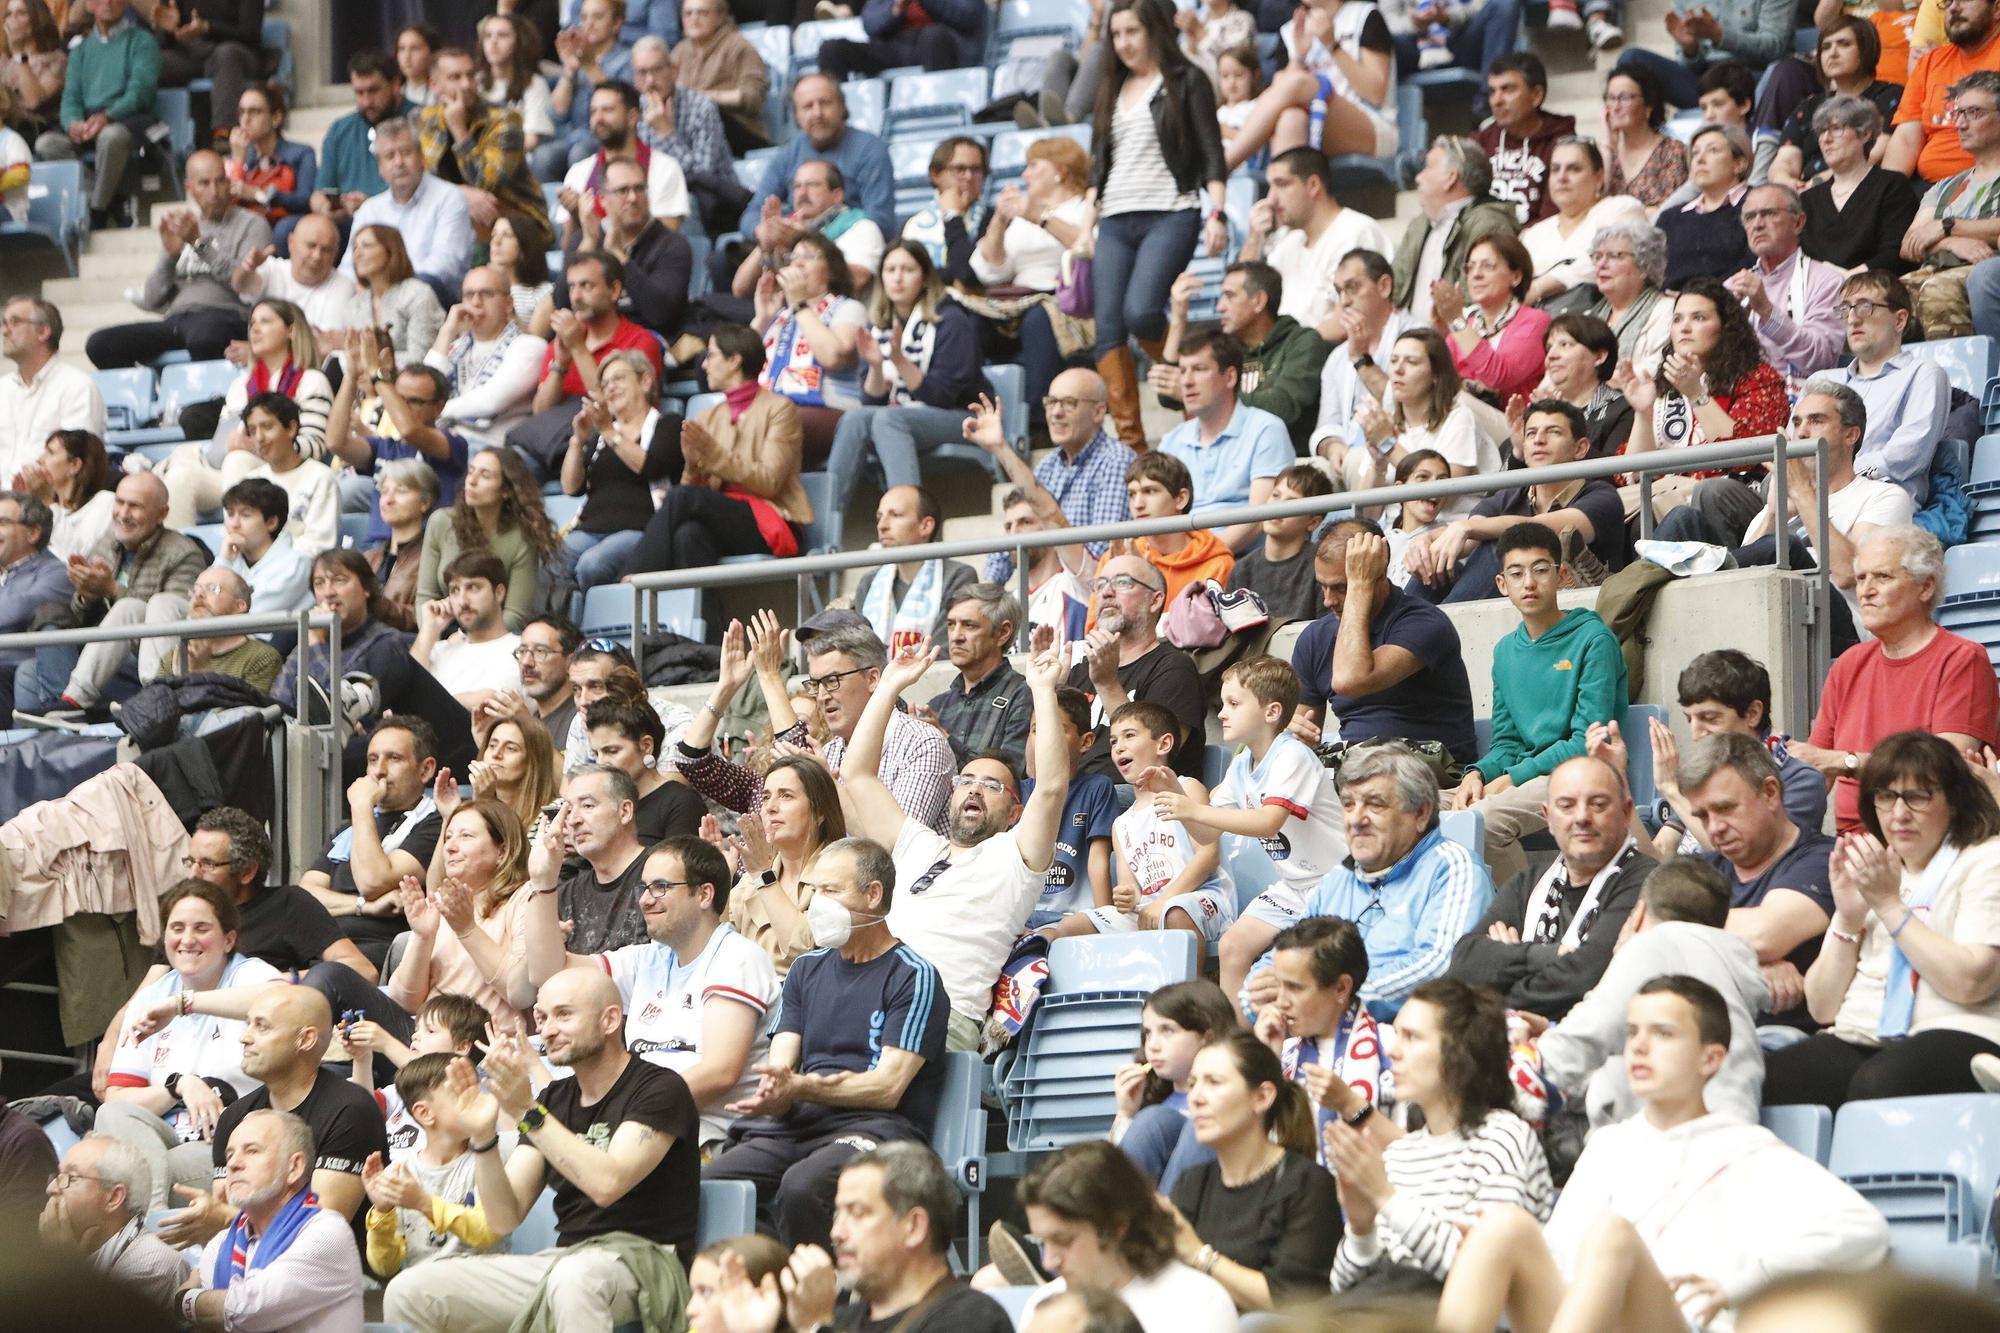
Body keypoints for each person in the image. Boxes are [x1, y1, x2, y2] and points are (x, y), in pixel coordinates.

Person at [1433, 976, 1890, 1333]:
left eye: (1663, 1033)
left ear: (1710, 1059)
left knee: (1613, 1237)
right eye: (1632, 1032)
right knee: (1503, 1226)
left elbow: (1864, 1230)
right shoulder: (1609, 1144)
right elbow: (1561, 1255)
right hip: (1586, 1320)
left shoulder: (1748, 1149)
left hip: (1677, 1324)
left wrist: (1740, 1284)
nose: (1639, 1047)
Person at [380, 969, 702, 1330]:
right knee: (409, 1291)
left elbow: (608, 1184)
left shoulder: (659, 1088)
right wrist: (483, 1136)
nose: (548, 1029)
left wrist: (526, 1111)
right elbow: (504, 1218)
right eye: (542, 1018)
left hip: (645, 1260)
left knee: (575, 1278)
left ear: (610, 1019)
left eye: (564, 1014)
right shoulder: (554, 1099)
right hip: (567, 1259)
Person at [699, 835, 950, 1249]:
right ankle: (767, 1283)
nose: (816, 903)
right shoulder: (805, 968)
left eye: (831, 891)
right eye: (813, 890)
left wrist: (801, 1087)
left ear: (873, 895)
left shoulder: (913, 974)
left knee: (803, 1187)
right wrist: (775, 1092)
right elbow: (781, 1065)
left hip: (878, 1129)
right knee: (709, 1185)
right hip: (799, 1125)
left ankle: (824, 1302)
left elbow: (887, 1088)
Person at [842, 641, 1070, 1049]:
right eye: (966, 780)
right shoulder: (917, 842)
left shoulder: (1017, 857)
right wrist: (888, 687)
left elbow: (1051, 787)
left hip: (940, 1012)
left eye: (992, 785)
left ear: (1016, 811)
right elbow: (857, 773)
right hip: (867, 997)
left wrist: (1042, 689)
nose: (975, 790)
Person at [1763, 731, 2000, 1108]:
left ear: (1955, 801)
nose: (1899, 813)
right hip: (1865, 1033)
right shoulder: (1876, 868)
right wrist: (1847, 917)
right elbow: (1822, 1008)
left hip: (1961, 1030)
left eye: (1918, 796)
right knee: (1774, 1082)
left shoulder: (1986, 860)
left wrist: (1889, 907)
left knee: (1880, 1087)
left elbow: (1970, 982)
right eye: (1886, 797)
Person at [525, 834, 778, 1151]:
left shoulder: (737, 958)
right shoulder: (649, 958)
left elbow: (720, 1072)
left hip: (708, 1133)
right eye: (643, 888)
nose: (644, 899)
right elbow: (550, 972)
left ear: (704, 894)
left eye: (660, 887)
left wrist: (624, 1112)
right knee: (525, 1148)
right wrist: (543, 884)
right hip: (643, 1123)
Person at [1327, 978, 1553, 1299]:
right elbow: (1341, 1288)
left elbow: (1481, 1282)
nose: (1393, 1051)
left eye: (1412, 1037)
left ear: (1460, 1052)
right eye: (1397, 1034)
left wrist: (1385, 1198)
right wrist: (1362, 1229)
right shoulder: (1399, 1154)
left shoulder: (1503, 1138)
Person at [1241, 742, 1493, 1020]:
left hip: (1412, 1046)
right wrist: (1257, 993)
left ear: (1420, 813)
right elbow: (1283, 955)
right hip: (1326, 1039)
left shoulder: (1452, 867)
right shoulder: (1339, 879)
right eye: (1348, 805)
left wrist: (1328, 999)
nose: (1356, 819)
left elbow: (1439, 967)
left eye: (1375, 804)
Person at [1447, 522, 1629, 889]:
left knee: (1482, 821)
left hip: (1583, 775)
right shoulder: (1505, 652)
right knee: (1410, 806)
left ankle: (1526, 916)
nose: (1529, 582)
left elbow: (1585, 744)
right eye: (1517, 573)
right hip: (1527, 777)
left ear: (1561, 575)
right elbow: (1507, 742)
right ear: (1502, 585)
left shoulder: (1593, 640)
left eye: (1541, 570)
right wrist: (1477, 774)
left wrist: (1511, 778)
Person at [1527, 856, 1768, 1128]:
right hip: (1731, 1138)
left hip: (1684, 1146)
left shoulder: (1655, 943)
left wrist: (1510, 1073)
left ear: (1638, 915)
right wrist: (1551, 1030)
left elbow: (1579, 1043)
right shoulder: (1721, 966)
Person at [1794, 525, 2000, 831]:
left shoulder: (1961, 659)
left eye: (1883, 577)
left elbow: (1943, 771)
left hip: (1927, 844)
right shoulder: (1848, 664)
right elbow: (1814, 773)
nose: (1866, 590)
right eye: (1862, 578)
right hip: (1851, 846)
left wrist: (1845, 762)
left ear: (1925, 587)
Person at [94, 881, 285, 1209]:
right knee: (111, 1115)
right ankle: (152, 1218)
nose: (187, 939)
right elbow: (118, 1098)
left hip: (228, 1142)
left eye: (201, 928)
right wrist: (178, 1087)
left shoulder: (249, 975)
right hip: (160, 1138)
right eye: (177, 928)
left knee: (139, 1172)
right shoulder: (151, 998)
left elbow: (289, 1001)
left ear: (228, 940)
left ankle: (146, 1225)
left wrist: (183, 1003)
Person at [1088, 0, 1227, 452]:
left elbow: (1212, 153)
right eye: (1117, 34)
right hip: (1114, 217)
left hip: (1171, 210)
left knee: (1142, 311)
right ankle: (1133, 445)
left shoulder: (1187, 81)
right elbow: (1099, 158)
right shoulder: (1112, 84)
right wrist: (1090, 209)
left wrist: (1218, 214)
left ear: (1153, 32)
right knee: (1107, 327)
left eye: (1133, 32)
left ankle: (1190, 399)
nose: (1124, 43)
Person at [1172, 656, 1349, 1003]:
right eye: (1223, 704)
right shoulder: (1240, 765)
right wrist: (1181, 805)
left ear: (1271, 713)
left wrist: (1195, 809)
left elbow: (1268, 821)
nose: (1222, 713)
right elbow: (1207, 834)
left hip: (1337, 883)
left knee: (1295, 967)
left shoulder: (1292, 755)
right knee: (1233, 947)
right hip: (1294, 885)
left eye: (1233, 704)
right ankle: (1236, 1049)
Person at [1448, 755, 1651, 1018]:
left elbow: (1587, 978)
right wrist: (1547, 955)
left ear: (1626, 813)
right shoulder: (1529, 882)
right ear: (1548, 817)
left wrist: (1499, 977)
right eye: (1566, 806)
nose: (1581, 818)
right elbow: (1464, 962)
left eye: (1598, 805)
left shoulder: (1645, 881)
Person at [1162, 1031, 1342, 1310]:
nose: (1195, 1098)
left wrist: (1200, 1255)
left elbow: (1290, 1300)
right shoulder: (1192, 1181)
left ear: (1261, 1097)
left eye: (1214, 1083)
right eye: (1193, 1084)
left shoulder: (1308, 1184)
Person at [1675, 731, 1838, 1022]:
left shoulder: (1825, 860)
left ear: (1770, 793)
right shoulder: (1698, 870)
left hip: (1787, 1043)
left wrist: (1672, 927)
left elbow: (1764, 937)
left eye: (1725, 808)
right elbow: (1633, 937)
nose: (1714, 829)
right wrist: (1749, 967)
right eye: (1702, 816)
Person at [1288, 522, 1480, 766]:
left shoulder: (1424, 622)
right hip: (1354, 769)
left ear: (1377, 574)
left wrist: (1359, 585)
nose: (1327, 600)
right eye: (1322, 586)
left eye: (1341, 587)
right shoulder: (1314, 638)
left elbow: (1351, 679)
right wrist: (1294, 733)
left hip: (1427, 774)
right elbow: (1302, 730)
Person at [824, 243, 991, 517]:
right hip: (908, 417)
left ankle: (910, 524)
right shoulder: (879, 325)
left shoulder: (952, 319)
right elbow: (871, 402)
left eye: (907, 269)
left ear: (924, 278)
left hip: (964, 418)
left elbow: (942, 397)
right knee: (854, 419)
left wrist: (900, 360)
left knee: (889, 419)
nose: (897, 277)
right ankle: (825, 524)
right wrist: (877, 366)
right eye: (890, 270)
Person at [20, 472, 203, 721]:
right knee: (28, 670)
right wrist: (86, 594)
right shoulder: (108, 541)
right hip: (102, 655)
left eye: (135, 506)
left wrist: (112, 589)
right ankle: (64, 714)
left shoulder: (184, 553)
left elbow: (173, 617)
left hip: (149, 661)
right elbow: (81, 617)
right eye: (120, 502)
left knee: (132, 606)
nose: (123, 513)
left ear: (161, 514)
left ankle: (156, 697)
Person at [1405, 399, 1626, 603]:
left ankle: (1429, 635)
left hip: (1580, 610)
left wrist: (1465, 526)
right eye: (1531, 434)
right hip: (1513, 606)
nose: (1539, 439)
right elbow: (1465, 540)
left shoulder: (1602, 496)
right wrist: (1426, 539)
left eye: (1553, 432)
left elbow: (1541, 529)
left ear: (1580, 449)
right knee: (1433, 563)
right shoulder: (1509, 495)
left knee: (1508, 544)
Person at [1006, 1142, 1237, 1333]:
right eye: (1042, 1242)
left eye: (1064, 1240)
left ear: (1117, 1226)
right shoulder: (1047, 1306)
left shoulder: (1197, 1303)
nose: (1049, 1261)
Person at [1618, 277, 1789, 532]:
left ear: (1725, 327)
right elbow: (1630, 476)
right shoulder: (1662, 385)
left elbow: (1743, 455)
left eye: (1698, 318)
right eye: (1678, 319)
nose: (1684, 328)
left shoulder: (1757, 377)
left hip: (1728, 499)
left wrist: (1696, 394)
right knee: (1610, 506)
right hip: (1664, 499)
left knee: (1686, 503)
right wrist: (1643, 414)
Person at [1630, 649, 1828, 857]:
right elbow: (1659, 853)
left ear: (1752, 714)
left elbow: (1749, 863)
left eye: (1710, 718)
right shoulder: (1705, 775)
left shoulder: (1800, 781)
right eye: (1690, 719)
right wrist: (1620, 791)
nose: (1696, 735)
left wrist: (1672, 790)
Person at [156, 298, 333, 531]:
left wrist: (257, 446)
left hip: (289, 475)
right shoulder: (241, 386)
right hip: (232, 471)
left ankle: (237, 551)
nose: (255, 329)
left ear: (290, 330)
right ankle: (180, 563)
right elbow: (219, 452)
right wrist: (232, 445)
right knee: (181, 477)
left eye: (266, 321)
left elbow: (315, 447)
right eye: (252, 323)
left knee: (238, 460)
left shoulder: (312, 381)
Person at [185, 1109, 366, 1332]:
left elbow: (246, 1310)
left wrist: (184, 1300)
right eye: (230, 1154)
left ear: (294, 1167)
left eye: (252, 1151)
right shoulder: (221, 1243)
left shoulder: (327, 1232)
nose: (233, 1164)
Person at [85, 151, 266, 369]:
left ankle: (210, 400)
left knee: (204, 336)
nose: (214, 191)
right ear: (189, 188)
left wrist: (199, 244)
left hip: (227, 315)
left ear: (229, 183)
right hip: (177, 320)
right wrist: (169, 256)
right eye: (204, 183)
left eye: (220, 181)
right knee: (100, 344)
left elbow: (244, 283)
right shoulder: (185, 226)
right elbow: (152, 299)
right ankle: (153, 395)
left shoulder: (252, 224)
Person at [968, 370, 1133, 588]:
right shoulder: (1048, 465)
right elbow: (1014, 535)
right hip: (1048, 593)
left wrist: (1001, 448)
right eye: (1051, 402)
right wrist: (986, 591)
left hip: (1089, 595)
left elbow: (1097, 559)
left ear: (1098, 412)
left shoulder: (1116, 461)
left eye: (1068, 403)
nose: (1056, 412)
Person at [514, 248, 666, 480]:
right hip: (555, 444)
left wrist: (578, 348)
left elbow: (616, 404)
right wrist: (560, 365)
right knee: (500, 463)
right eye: (572, 286)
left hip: (611, 447)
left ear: (614, 291)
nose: (575, 297)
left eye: (587, 286)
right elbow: (541, 411)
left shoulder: (640, 342)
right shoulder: (563, 340)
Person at [302, 715, 444, 962]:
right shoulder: (347, 829)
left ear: (426, 769)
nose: (379, 771)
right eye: (373, 759)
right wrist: (363, 906)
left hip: (376, 950)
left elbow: (373, 881)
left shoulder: (435, 823)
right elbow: (306, 896)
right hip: (323, 944)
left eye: (394, 758)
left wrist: (360, 805)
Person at [360, 1052, 505, 1277]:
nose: (475, 1101)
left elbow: (489, 1231)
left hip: (482, 1290)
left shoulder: (488, 1160)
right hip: (421, 1295)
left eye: (475, 1091)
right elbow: (385, 1266)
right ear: (425, 1113)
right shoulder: (402, 1174)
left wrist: (423, 1202)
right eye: (460, 1093)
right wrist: (382, 1211)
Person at [1064, 553, 1207, 782]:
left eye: (1122, 583)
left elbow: (1153, 765)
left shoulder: (1174, 669)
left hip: (1133, 798)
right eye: (1100, 585)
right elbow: (1034, 768)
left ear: (1155, 600)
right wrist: (1048, 694)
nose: (1106, 592)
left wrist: (1107, 684)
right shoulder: (1081, 669)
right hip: (1074, 796)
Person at [1153, 331, 1295, 552]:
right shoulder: (1171, 441)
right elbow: (1157, 515)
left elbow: (1260, 517)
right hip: (1179, 559)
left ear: (1230, 377)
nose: (1187, 382)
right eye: (1182, 371)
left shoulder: (1266, 428)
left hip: (1240, 561)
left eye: (1199, 369)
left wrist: (1204, 557)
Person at [1216, 0, 1395, 172]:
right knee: (1290, 119)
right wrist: (1299, 57)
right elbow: (1278, 94)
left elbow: (1375, 92)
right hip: (1313, 124)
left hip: (1372, 126)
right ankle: (1281, 197)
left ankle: (1223, 165)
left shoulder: (1363, 15)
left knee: (1302, 82)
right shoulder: (1291, 29)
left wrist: (1332, 45)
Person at [1823, 271, 1948, 507]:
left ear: (1899, 320)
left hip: (1879, 503)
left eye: (1864, 307)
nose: (1852, 319)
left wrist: (1833, 474)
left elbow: (1906, 456)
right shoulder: (1823, 382)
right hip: (1813, 501)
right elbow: (1793, 451)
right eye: (1845, 309)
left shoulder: (1923, 373)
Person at [31, 0, 156, 229]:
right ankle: (111, 197)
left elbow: (140, 93)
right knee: (46, 144)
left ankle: (97, 211)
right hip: (89, 121)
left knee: (110, 137)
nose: (107, 3)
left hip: (129, 119)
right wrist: (73, 123)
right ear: (88, 4)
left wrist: (107, 116)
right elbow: (71, 98)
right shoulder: (81, 50)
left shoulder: (143, 41)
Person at [1897, 71, 2000, 337]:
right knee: (1879, 298)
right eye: (1958, 114)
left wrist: (1947, 226)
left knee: (1937, 292)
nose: (1961, 124)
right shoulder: (1946, 187)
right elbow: (1910, 243)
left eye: (1974, 112)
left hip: (1984, 273)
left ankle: (1961, 379)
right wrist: (1952, 242)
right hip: (1938, 269)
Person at [1348, 328, 1502, 506]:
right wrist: (1378, 466)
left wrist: (1388, 446)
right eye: (1393, 360)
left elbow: (1441, 497)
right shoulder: (1385, 424)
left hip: (1449, 528)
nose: (1398, 369)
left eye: (1411, 362)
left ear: (1436, 374)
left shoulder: (1459, 418)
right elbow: (1366, 516)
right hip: (1395, 532)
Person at [417, 46, 553, 246]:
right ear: (434, 85)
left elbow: (485, 184)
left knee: (469, 214)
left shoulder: (505, 120)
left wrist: (459, 130)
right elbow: (421, 181)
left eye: (470, 76)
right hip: (456, 213)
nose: (466, 84)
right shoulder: (426, 120)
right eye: (455, 77)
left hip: (519, 221)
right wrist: (460, 195)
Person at [752, 231, 867, 461]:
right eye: (793, 258)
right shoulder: (780, 315)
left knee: (774, 422)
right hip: (775, 409)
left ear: (832, 269)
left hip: (831, 409)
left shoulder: (849, 308)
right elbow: (738, 364)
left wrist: (800, 306)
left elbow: (833, 357)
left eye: (809, 256)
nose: (798, 263)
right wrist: (762, 318)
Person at [37, 1134, 187, 1310]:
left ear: (114, 1197)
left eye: (71, 1177)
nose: (51, 1188)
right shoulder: (78, 1250)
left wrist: (63, 1266)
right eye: (58, 1175)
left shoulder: (152, 1266)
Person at [417, 447, 558, 634]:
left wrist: (471, 642)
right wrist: (432, 635)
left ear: (506, 491)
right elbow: (425, 596)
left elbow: (515, 615)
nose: (471, 481)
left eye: (485, 475)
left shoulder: (522, 539)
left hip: (495, 639)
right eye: (471, 471)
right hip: (442, 629)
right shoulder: (442, 522)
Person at [737, 73, 894, 237]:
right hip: (795, 249)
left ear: (842, 106)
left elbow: (881, 221)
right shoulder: (787, 155)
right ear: (796, 116)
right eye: (807, 106)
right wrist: (764, 230)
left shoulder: (870, 150)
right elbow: (751, 215)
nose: (817, 113)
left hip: (850, 249)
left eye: (825, 103)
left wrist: (812, 237)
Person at [1307, 249, 1420, 473]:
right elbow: (1327, 423)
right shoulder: (1338, 356)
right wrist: (1331, 445)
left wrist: (1361, 359)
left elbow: (1408, 405)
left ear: (1384, 286)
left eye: (1353, 288)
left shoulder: (1417, 336)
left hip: (1402, 449)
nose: (1344, 301)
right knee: (1307, 471)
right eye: (1339, 291)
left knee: (1360, 460)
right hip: (1349, 457)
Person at [1723, 183, 1848, 382]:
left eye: (1769, 213)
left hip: (1800, 403)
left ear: (1798, 223)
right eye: (1749, 217)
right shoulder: (1731, 287)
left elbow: (1822, 361)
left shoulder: (1827, 281)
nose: (1757, 224)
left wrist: (1766, 310)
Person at [344, 117, 476, 303]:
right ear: (380, 168)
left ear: (422, 158)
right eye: (390, 156)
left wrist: (388, 287)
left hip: (432, 298)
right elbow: (348, 268)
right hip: (376, 301)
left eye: (406, 153)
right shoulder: (370, 210)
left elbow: (445, 266)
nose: (399, 162)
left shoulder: (449, 198)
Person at [1390, 138, 1519, 325]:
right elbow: (1394, 290)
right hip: (1410, 343)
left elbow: (1480, 300)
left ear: (1450, 177)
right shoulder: (1418, 226)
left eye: (1428, 168)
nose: (1418, 177)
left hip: (1461, 340)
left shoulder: (1489, 223)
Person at [1772, 16, 1906, 191]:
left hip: (1857, 192)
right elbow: (1785, 160)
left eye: (1844, 44)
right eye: (1825, 47)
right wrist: (1786, 181)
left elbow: (1877, 152)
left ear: (1866, 50)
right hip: (1804, 194)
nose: (1832, 53)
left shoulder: (1890, 95)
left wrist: (1821, 182)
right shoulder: (1809, 106)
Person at [731, 156, 886, 304]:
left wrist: (803, 239)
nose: (802, 193)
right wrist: (766, 244)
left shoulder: (862, 227)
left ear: (837, 195)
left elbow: (856, 281)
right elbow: (740, 290)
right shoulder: (787, 228)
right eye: (797, 186)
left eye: (812, 185)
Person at [554, 80, 690, 248]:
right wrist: (575, 216)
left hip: (643, 269)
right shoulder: (578, 172)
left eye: (608, 110)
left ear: (632, 117)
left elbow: (667, 244)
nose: (598, 118)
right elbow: (568, 250)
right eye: (593, 111)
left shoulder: (665, 168)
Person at [1798, 99, 1921, 275]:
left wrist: (1847, 278)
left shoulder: (1891, 185)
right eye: (1822, 131)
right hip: (1816, 296)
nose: (1826, 139)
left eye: (1836, 128)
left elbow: (1896, 253)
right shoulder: (1807, 199)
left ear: (1865, 134)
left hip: (1873, 292)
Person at [851, 486, 979, 653]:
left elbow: (945, 648)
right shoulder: (868, 582)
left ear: (926, 526)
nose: (882, 526)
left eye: (895, 515)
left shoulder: (958, 576)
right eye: (879, 517)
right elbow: (860, 654)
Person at [628, 35, 734, 238]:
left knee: (682, 200)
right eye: (642, 73)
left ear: (673, 70)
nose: (650, 80)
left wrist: (667, 134)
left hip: (712, 202)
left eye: (657, 70)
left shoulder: (702, 107)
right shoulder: (633, 113)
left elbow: (704, 176)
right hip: (653, 192)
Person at [1519, 139, 1646, 307]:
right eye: (1555, 169)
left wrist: (1538, 288)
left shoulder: (1621, 209)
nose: (1562, 177)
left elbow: (1607, 262)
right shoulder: (1534, 234)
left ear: (1599, 177)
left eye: (1574, 169)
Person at [1885, 0, 2000, 183]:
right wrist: (1884, 193)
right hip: (1927, 190)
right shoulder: (1931, 62)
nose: (1953, 8)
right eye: (1948, 2)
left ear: (1997, 8)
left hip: (1988, 186)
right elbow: (1906, 139)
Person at [1611, 0, 1797, 112]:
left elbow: (1775, 46)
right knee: (1632, 60)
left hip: (1755, 77)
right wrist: (1689, 48)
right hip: (1704, 80)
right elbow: (1688, 65)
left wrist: (1720, 36)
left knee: (1781, 71)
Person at [1432, 232, 1551, 405]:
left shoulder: (1536, 322)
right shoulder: (1469, 324)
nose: (1476, 274)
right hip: (1467, 421)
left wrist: (1455, 320)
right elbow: (1438, 376)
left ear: (1516, 276)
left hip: (1516, 425)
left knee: (1457, 402)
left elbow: (1498, 376)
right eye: (1470, 267)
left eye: (1488, 266)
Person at [924, 583, 1031, 769]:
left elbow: (1010, 776)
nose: (956, 636)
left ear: (1003, 633)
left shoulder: (1024, 696)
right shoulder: (937, 706)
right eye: (951, 625)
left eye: (969, 625)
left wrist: (943, 741)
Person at [0, 297, 104, 481]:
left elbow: (77, 463)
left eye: (14, 322)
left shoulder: (77, 387)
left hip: (49, 502)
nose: (4, 331)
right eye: (4, 323)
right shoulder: (3, 388)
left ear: (43, 331)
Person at [314, 51, 417, 230]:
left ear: (395, 84)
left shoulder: (422, 120)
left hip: (407, 218)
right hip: (349, 222)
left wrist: (372, 205)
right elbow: (319, 194)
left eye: (373, 91)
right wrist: (328, 208)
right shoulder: (340, 130)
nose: (367, 101)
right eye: (359, 93)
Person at [1473, 54, 1578, 226]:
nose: (1497, 101)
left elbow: (1554, 217)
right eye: (1492, 91)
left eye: (1507, 90)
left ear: (1536, 95)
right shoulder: (1482, 141)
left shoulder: (1562, 143)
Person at [536, 0, 637, 180]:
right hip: (572, 137)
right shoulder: (579, 58)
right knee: (544, 156)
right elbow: (556, 113)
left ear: (617, 23)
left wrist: (590, 66)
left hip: (607, 139)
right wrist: (570, 69)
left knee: (581, 153)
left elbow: (620, 104)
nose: (589, 24)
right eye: (584, 17)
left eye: (598, 17)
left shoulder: (628, 59)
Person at [1225, 463, 1335, 622]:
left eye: (1291, 501)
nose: (1277, 506)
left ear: (1313, 522)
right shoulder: (1242, 569)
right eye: (1275, 495)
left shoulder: (1322, 565)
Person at [586, 697, 704, 843]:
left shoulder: (681, 803)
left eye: (612, 751)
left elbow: (679, 864)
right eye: (595, 754)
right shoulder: (602, 805)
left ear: (646, 745)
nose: (601, 762)